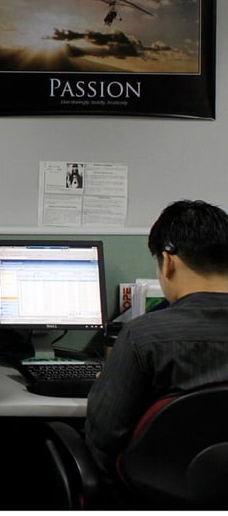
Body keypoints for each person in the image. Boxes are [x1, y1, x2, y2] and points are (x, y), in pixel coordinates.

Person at [85, 199, 228, 474]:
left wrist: (108, 387)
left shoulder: (144, 336)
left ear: (169, 262)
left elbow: (103, 438)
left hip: (154, 488)